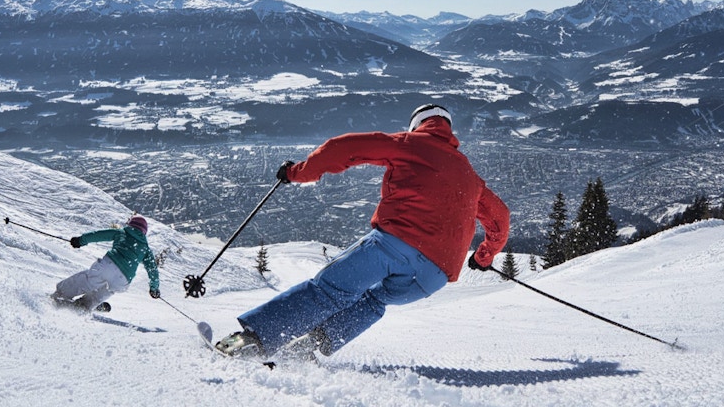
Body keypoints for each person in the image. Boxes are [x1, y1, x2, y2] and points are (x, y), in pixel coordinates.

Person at [215, 103, 510, 360]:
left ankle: (251, 341)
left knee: (328, 291)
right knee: (374, 300)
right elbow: (500, 218)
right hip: (434, 276)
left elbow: (344, 148)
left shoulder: (409, 143)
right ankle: (310, 349)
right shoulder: (471, 176)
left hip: (394, 245)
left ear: (417, 125)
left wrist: (297, 173)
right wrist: (484, 258)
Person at [52, 215, 161, 313]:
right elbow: (153, 269)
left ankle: (59, 295)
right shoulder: (145, 248)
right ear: (144, 232)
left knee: (87, 280)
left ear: (130, 224)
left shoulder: (123, 232)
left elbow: (100, 235)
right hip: (123, 280)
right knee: (104, 292)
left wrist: (81, 240)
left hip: (110, 265)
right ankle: (84, 305)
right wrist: (154, 288)